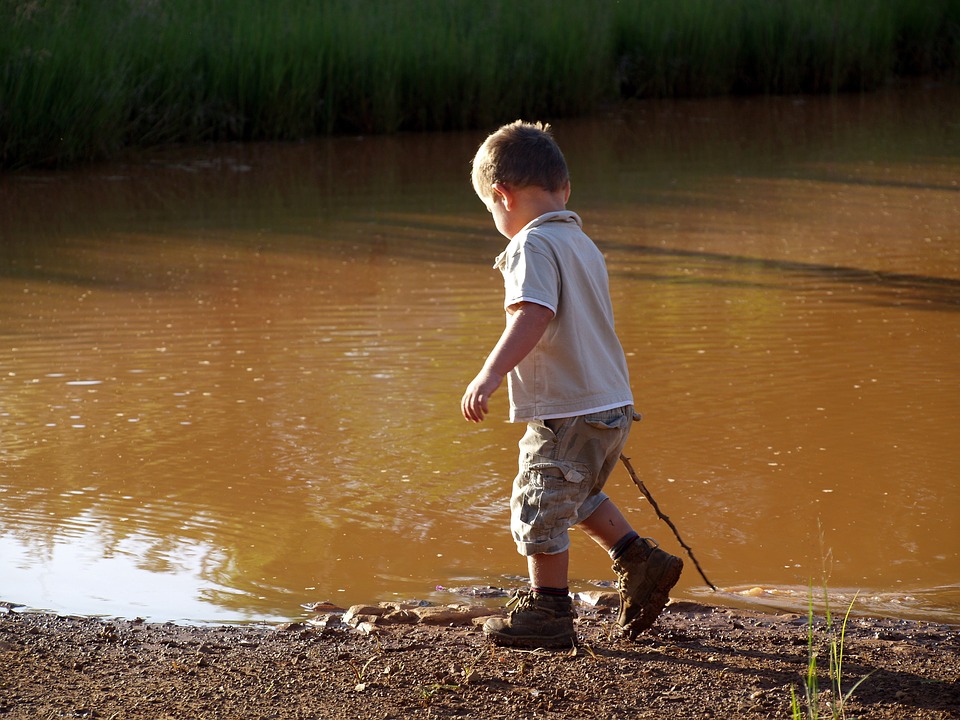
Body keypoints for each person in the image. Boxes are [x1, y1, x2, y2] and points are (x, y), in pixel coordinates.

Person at [460, 120, 683, 649]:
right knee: (577, 493)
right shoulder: (579, 240)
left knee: (538, 499)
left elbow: (533, 313)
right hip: (610, 402)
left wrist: (490, 373)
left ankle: (548, 612)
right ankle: (639, 559)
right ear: (565, 189)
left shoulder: (530, 245)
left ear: (501, 195)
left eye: (491, 209)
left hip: (570, 408)